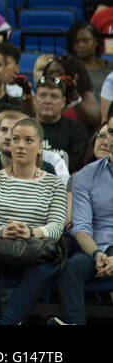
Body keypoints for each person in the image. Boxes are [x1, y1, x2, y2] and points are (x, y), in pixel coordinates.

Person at [0, 117, 68, 326]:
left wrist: (30, 233)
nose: (21, 145)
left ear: (40, 147)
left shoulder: (54, 183)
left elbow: (57, 226)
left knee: (46, 266)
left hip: (35, 252)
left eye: (29, 140)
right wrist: (3, 231)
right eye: (16, 139)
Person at [55, 117, 113, 324]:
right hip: (97, 249)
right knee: (73, 268)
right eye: (109, 132)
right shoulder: (85, 176)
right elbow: (81, 227)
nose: (110, 140)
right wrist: (97, 253)